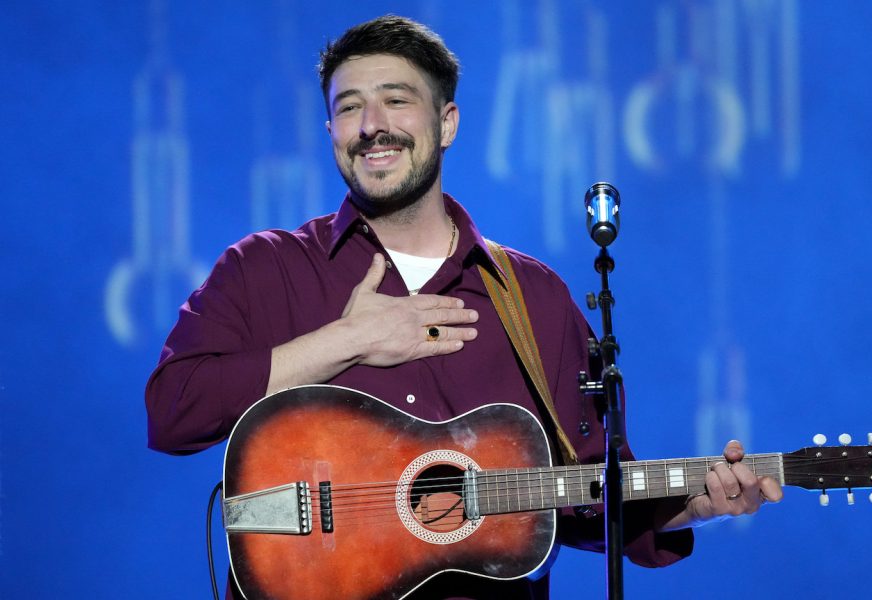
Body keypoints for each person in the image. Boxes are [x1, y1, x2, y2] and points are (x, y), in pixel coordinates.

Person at [146, 15, 782, 600]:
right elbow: (172, 411)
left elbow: (586, 491)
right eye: (349, 107)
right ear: (330, 131)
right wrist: (347, 339)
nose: (372, 125)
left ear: (447, 122)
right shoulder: (264, 269)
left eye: (396, 99)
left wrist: (695, 504)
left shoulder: (534, 299)